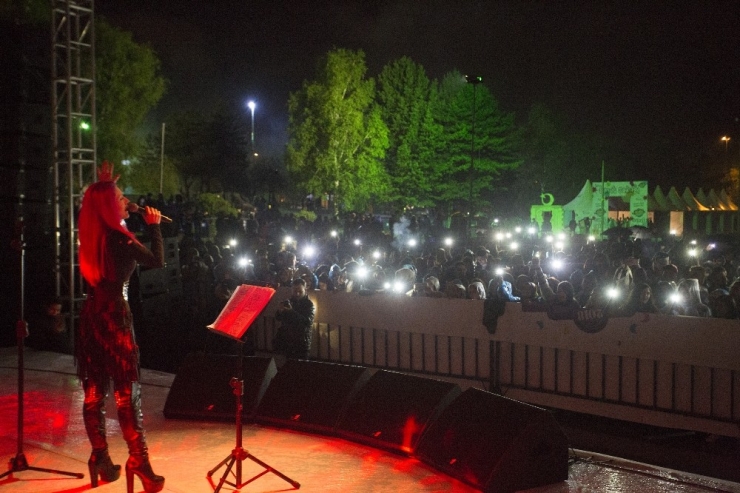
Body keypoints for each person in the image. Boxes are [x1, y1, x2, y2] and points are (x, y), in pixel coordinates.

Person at [76, 161, 165, 492]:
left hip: (91, 315)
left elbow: (98, 208)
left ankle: (100, 456)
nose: (127, 199)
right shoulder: (121, 239)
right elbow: (156, 261)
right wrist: (154, 226)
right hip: (114, 316)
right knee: (127, 393)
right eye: (120, 196)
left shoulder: (93, 233)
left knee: (94, 391)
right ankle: (138, 461)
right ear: (111, 205)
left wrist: (102, 190)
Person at [273, 278, 316, 359]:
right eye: (295, 291)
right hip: (288, 342)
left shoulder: (309, 305)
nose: (297, 294)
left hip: (302, 343)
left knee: (301, 368)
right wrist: (280, 311)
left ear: (305, 290)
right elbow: (278, 318)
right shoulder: (289, 302)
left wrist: (291, 312)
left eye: (300, 291)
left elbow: (307, 322)